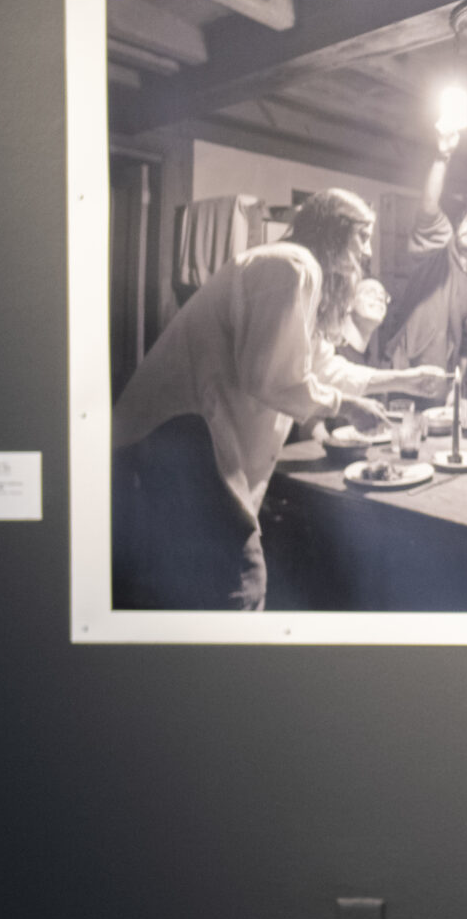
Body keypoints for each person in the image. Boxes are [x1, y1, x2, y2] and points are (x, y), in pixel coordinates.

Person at [112, 189, 445, 610]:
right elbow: (269, 377)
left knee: (204, 587)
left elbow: (321, 366)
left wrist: (407, 379)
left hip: (186, 439)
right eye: (361, 236)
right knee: (241, 582)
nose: (366, 252)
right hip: (179, 435)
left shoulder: (297, 271)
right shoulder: (291, 266)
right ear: (332, 230)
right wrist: (343, 406)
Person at [382, 124, 467, 374]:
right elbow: (429, 206)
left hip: (441, 380)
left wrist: (455, 392)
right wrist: (442, 156)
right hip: (399, 369)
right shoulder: (438, 249)